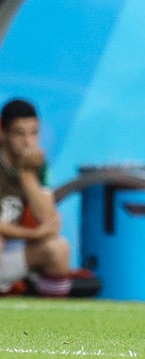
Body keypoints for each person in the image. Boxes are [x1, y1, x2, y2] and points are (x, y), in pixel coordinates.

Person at [0, 99, 71, 298]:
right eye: (19, 133)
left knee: (58, 248)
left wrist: (27, 174)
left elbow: (48, 221)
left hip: (10, 252)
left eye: (34, 133)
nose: (28, 142)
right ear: (3, 133)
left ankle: (52, 315)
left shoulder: (38, 165)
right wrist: (35, 234)